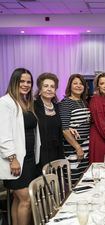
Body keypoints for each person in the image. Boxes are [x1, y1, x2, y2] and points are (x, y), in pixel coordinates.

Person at [0, 68, 41, 225]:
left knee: (18, 200)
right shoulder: (5, 102)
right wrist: (12, 159)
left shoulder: (26, 102)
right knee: (26, 200)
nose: (25, 84)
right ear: (14, 82)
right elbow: (3, 135)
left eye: (28, 82)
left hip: (29, 158)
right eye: (22, 81)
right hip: (16, 161)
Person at [59, 74, 90, 185]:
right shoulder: (66, 103)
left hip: (86, 146)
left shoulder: (83, 102)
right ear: (70, 86)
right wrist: (77, 147)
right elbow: (64, 129)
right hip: (73, 148)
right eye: (75, 83)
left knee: (84, 180)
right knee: (74, 180)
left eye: (81, 83)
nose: (78, 86)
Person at [34, 73, 64, 175]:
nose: (49, 89)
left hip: (56, 151)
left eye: (52, 87)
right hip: (40, 153)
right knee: (42, 184)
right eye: (46, 86)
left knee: (56, 182)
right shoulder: (33, 106)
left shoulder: (57, 107)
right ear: (40, 89)